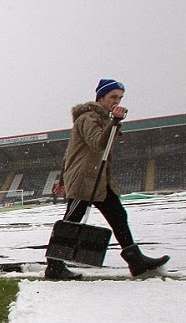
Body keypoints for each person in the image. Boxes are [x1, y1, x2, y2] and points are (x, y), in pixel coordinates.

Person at [45, 79, 169, 279]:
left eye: (119, 98)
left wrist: (112, 123)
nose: (116, 101)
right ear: (100, 97)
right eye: (113, 97)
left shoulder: (102, 119)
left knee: (118, 216)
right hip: (84, 180)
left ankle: (135, 260)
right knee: (71, 223)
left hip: (100, 180)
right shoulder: (88, 118)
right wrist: (114, 123)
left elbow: (70, 152)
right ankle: (54, 266)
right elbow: (96, 144)